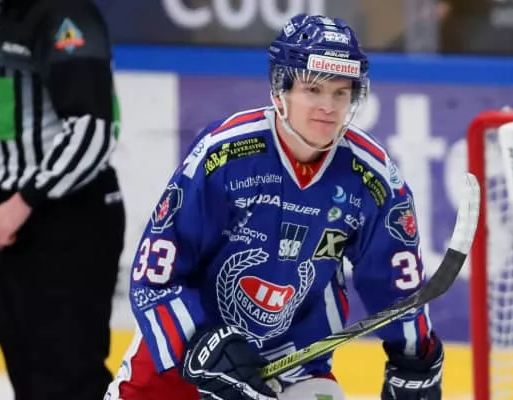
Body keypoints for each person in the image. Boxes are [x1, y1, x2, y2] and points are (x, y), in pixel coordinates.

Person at [105, 13, 443, 400]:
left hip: (293, 363)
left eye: (340, 93)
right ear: (281, 88)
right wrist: (199, 344)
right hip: (191, 356)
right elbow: (156, 274)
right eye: (313, 89)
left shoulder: (371, 178)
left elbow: (395, 281)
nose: (328, 107)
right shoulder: (225, 154)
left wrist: (413, 357)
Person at [0, 0, 125, 398]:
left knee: (68, 375)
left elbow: (92, 130)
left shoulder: (64, 13)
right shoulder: (13, 13)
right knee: (29, 373)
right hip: (18, 215)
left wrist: (22, 203)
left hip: (65, 218)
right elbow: (13, 125)